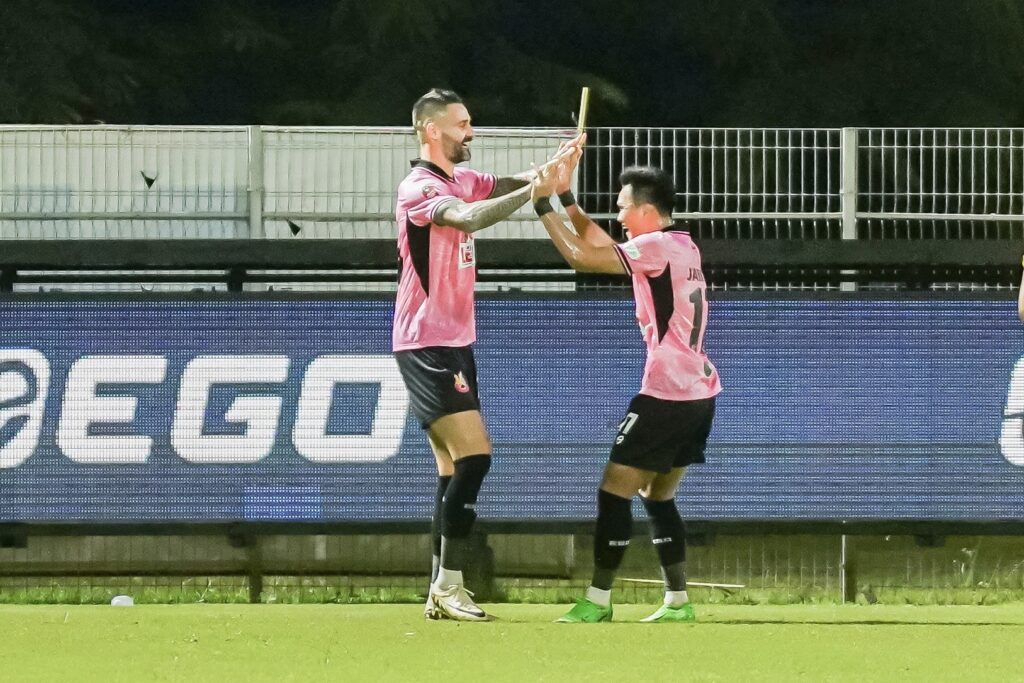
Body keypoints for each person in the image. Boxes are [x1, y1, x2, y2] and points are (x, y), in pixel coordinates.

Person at [393, 88, 581, 621]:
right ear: (432, 130)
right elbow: (469, 218)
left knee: (453, 468)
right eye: (462, 123)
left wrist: (554, 168)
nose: (470, 132)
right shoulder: (420, 188)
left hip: (453, 341)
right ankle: (449, 586)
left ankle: (440, 588)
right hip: (428, 342)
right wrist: (535, 190)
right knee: (476, 457)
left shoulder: (461, 179)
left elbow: (510, 184)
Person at [530, 150, 722, 623]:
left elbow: (582, 257)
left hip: (667, 391)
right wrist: (567, 198)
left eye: (622, 208)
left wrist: (541, 205)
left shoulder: (654, 247)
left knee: (614, 491)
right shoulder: (682, 245)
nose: (617, 217)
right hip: (700, 392)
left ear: (646, 211)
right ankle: (677, 601)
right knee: (658, 495)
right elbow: (602, 243)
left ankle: (598, 600)